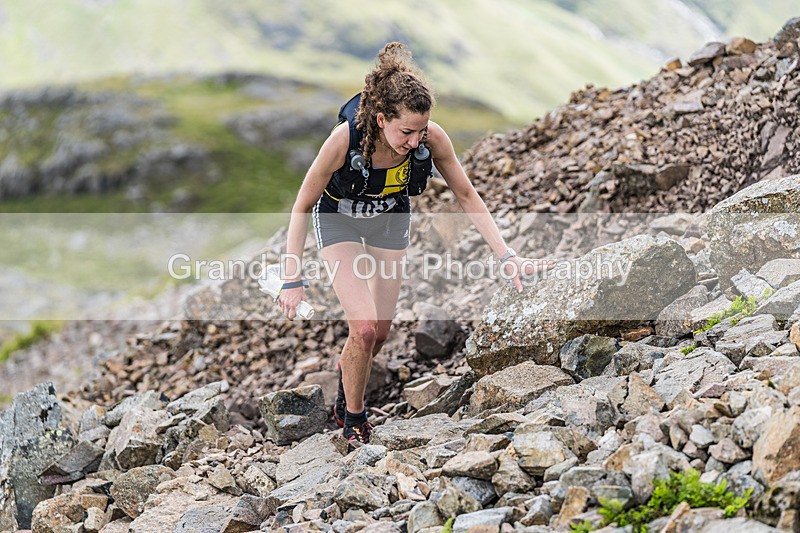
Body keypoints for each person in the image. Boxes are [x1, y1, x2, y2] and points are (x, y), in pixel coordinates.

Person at [278, 42, 552, 447]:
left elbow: (467, 194)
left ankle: (347, 368)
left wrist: (507, 255)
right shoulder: (344, 140)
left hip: (390, 220)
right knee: (365, 327)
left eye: (422, 130)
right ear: (381, 118)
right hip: (339, 222)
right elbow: (302, 205)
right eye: (406, 131)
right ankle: (352, 417)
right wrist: (291, 278)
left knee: (381, 333)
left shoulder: (431, 138)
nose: (415, 141)